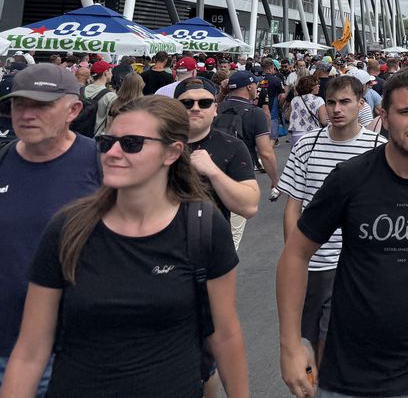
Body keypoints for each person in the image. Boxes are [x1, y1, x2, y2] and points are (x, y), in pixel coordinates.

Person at [2, 95, 248, 398]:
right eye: (107, 142)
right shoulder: (68, 228)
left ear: (172, 152)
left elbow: (224, 335)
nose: (113, 153)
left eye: (132, 143)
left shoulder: (202, 226)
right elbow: (30, 350)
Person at [277, 66, 408, 398]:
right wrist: (291, 345)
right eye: (405, 112)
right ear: (385, 116)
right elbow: (296, 253)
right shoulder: (350, 178)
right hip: (349, 374)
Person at [0, 64, 102, 396]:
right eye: (19, 104)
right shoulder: (3, 159)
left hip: (70, 348)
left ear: (73, 110)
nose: (26, 114)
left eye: (41, 105)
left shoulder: (102, 163)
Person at [276, 77, 384, 370]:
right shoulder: (307, 145)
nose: (337, 109)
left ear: (360, 104)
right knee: (308, 341)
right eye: (331, 102)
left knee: (333, 340)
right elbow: (293, 207)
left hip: (354, 263)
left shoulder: (378, 148)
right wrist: (294, 258)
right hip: (313, 264)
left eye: (345, 102)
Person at [176, 77, 260, 225]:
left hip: (210, 236)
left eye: (204, 103)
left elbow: (249, 207)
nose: (195, 108)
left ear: (215, 109)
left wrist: (213, 172)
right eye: (187, 103)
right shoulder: (155, 145)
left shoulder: (232, 146)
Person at [214, 70, 278, 246]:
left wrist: (222, 93)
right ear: (250, 86)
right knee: (232, 236)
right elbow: (266, 152)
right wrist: (275, 180)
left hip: (212, 172)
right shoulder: (254, 113)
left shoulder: (215, 108)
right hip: (240, 176)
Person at [288, 75, 328, 143]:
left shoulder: (294, 100)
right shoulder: (319, 100)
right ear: (311, 87)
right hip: (313, 135)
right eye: (317, 84)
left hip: (297, 135)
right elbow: (323, 121)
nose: (319, 86)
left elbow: (288, 116)